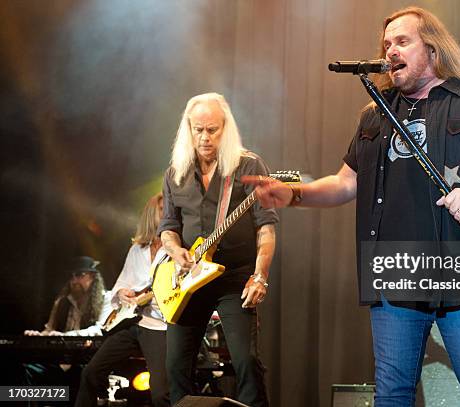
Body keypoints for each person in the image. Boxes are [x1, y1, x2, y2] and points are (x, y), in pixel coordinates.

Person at [245, 6, 460, 407]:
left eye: (402, 41)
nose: (390, 51)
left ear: (433, 49)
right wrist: (294, 194)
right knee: (392, 394)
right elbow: (345, 183)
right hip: (395, 271)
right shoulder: (375, 114)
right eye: (386, 44)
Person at [158, 93, 278, 406]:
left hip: (234, 279)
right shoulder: (176, 173)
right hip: (190, 280)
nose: (205, 136)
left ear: (226, 129)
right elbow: (168, 227)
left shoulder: (248, 165)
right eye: (198, 129)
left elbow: (266, 228)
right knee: (175, 367)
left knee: (246, 363)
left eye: (212, 129)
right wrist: (174, 251)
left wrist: (260, 276)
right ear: (188, 129)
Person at [75, 193, 170, 407]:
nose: (168, 213)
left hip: (158, 325)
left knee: (161, 394)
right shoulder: (137, 249)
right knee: (90, 373)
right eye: (163, 208)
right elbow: (120, 285)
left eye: (170, 208)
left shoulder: (177, 249)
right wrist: (121, 294)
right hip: (131, 322)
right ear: (150, 213)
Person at [22, 256, 111, 405]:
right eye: (72, 276)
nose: (74, 281)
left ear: (93, 276)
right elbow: (50, 330)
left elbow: (99, 330)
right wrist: (38, 336)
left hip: (85, 362)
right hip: (59, 361)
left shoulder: (106, 299)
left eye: (80, 275)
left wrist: (65, 337)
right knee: (25, 371)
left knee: (79, 383)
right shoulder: (62, 301)